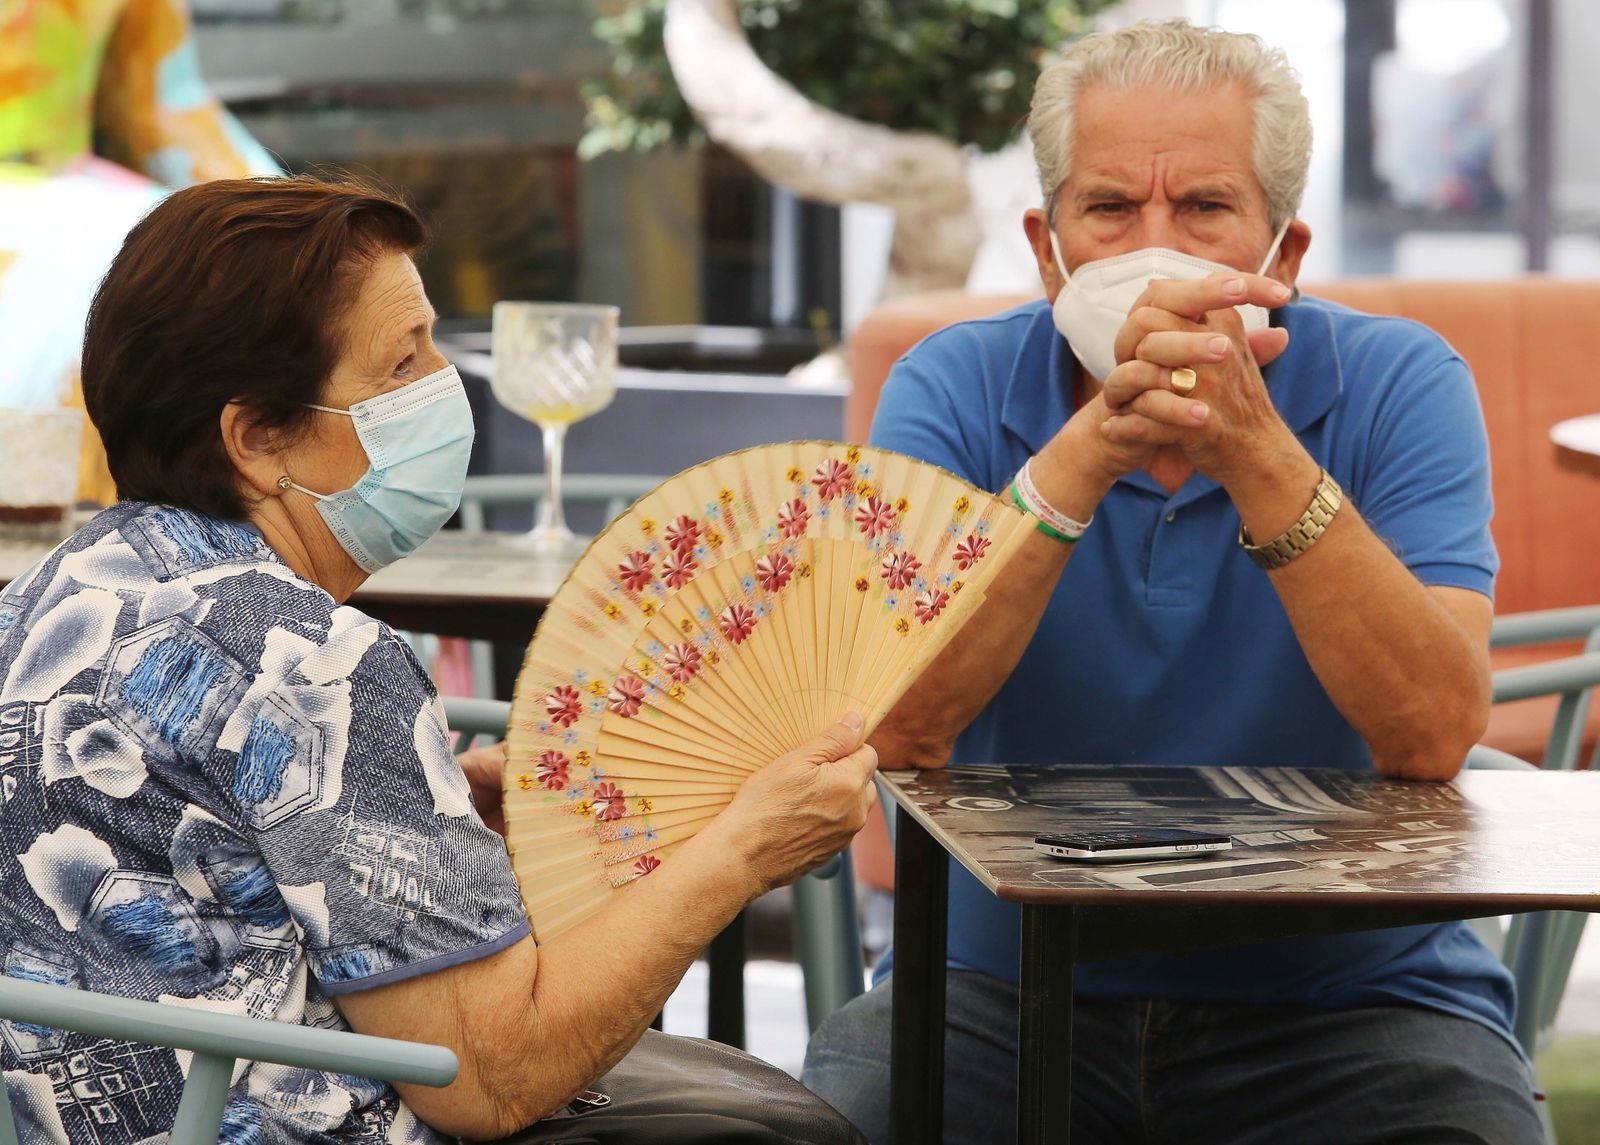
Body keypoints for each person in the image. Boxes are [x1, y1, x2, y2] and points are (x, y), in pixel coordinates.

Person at [0, 175, 873, 1144]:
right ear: (255, 437)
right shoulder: (317, 661)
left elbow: (184, 862)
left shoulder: (51, 596)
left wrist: (423, 812)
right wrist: (742, 849)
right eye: (400, 362)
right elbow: (493, 1079)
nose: (442, 386)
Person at [802, 19, 1543, 1145]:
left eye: (1202, 208)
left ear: (1280, 257)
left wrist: (1254, 448)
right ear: (1048, 253)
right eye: (1109, 210)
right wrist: (1080, 458)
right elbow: (896, 722)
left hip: (1351, 996)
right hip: (990, 989)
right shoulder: (950, 387)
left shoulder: (1398, 381)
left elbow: (1433, 729)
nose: (1153, 249)